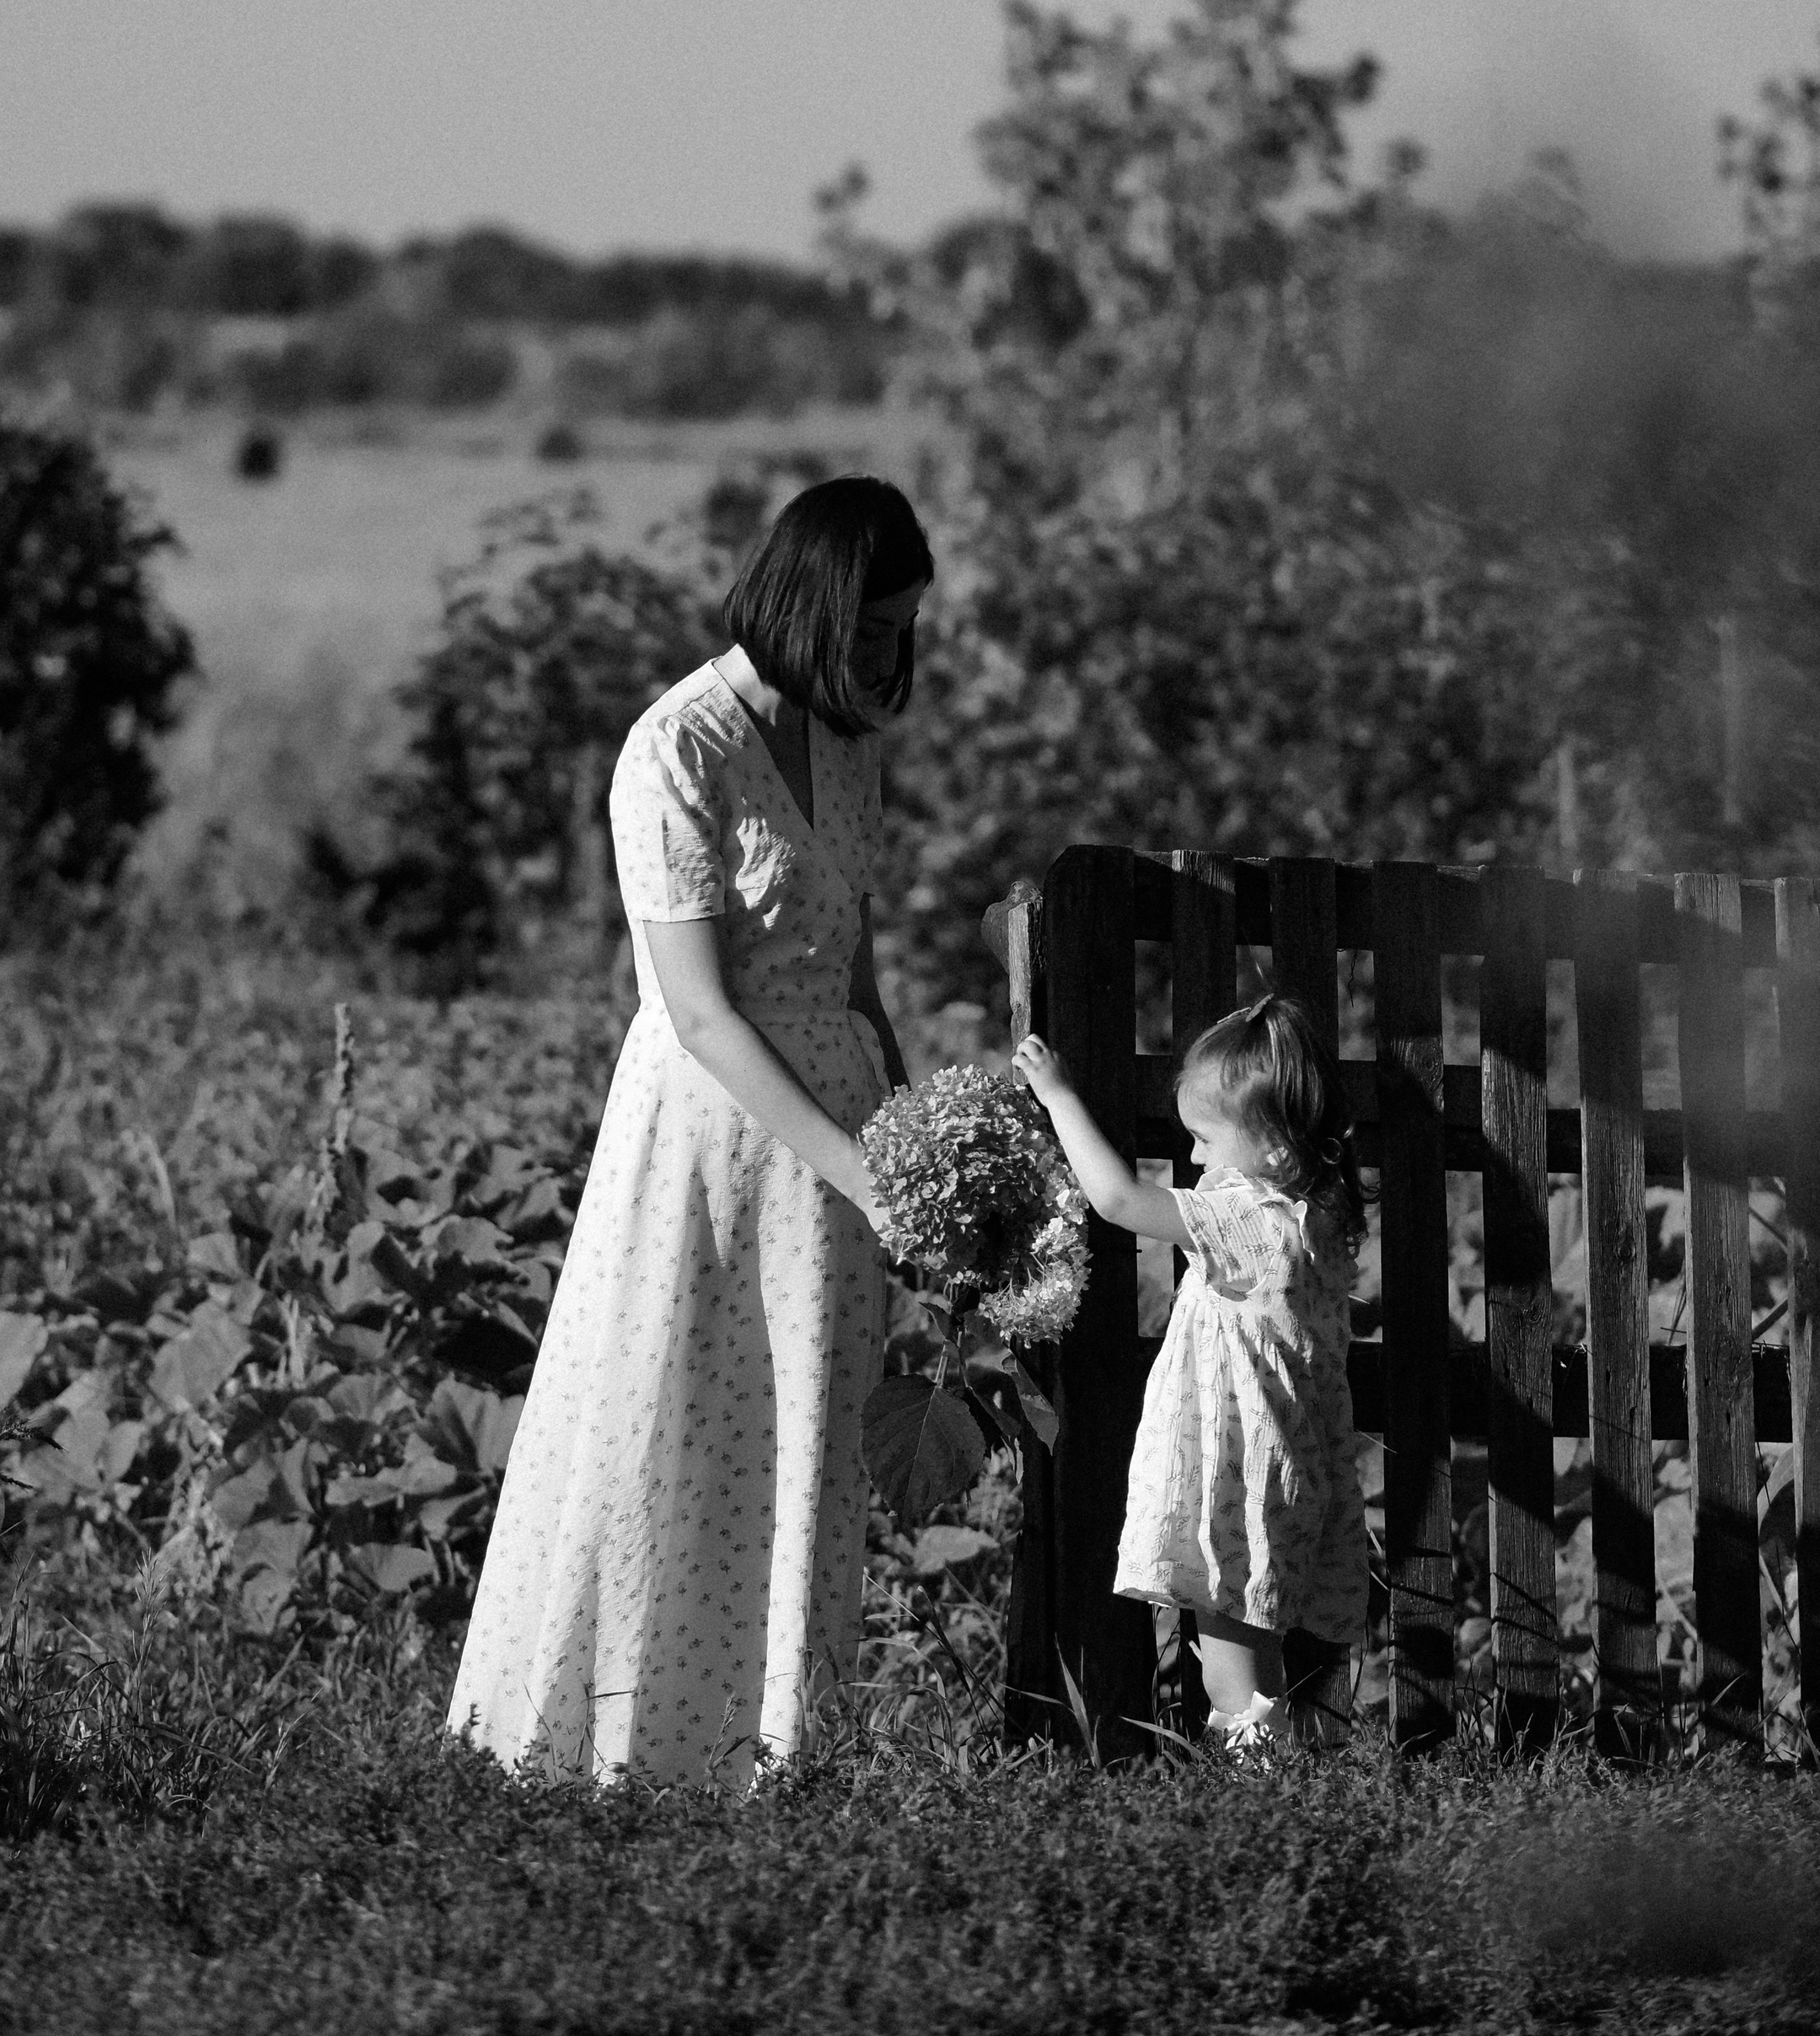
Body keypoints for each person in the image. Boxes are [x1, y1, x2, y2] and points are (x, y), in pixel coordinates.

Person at [448, 475, 932, 1786]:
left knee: (800, 1443)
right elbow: (703, 1014)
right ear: (818, 607)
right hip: (711, 1143)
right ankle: (603, 1750)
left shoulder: (845, 744)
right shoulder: (675, 745)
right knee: (662, 1424)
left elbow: (860, 979)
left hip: (836, 1147)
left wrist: (912, 1151)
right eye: (877, 629)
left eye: (904, 630)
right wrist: (861, 1171)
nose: (894, 657)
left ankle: (770, 1754)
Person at [1013, 994, 1367, 1751]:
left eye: (1205, 1140)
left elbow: (1115, 1198)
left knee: (1232, 1679)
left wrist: (1060, 1096)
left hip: (1232, 1476)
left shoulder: (1248, 1215)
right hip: (1286, 1471)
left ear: (1272, 1148)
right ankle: (1281, 1782)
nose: (1197, 1158)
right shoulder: (1316, 1214)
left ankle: (1259, 1803)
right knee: (1257, 1655)